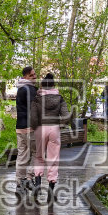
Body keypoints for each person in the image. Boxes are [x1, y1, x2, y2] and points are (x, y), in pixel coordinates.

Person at [34, 72, 71, 201]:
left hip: (40, 128)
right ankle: (51, 188)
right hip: (54, 129)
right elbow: (66, 115)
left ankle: (37, 184)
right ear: (54, 85)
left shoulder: (37, 97)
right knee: (53, 159)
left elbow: (33, 115)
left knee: (39, 156)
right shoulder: (60, 98)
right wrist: (60, 124)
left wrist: (34, 126)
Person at [14, 65, 40, 194]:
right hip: (30, 127)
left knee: (22, 156)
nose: (35, 76)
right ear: (25, 76)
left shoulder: (19, 89)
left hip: (20, 128)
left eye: (35, 74)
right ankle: (29, 178)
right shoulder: (30, 89)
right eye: (32, 75)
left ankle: (19, 184)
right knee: (37, 153)